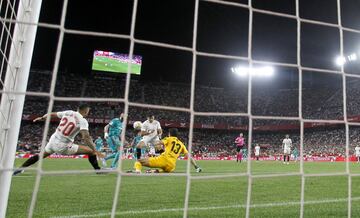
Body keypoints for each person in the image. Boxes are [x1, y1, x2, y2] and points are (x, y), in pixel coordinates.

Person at [13, 104, 103, 175]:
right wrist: (95, 150)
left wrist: (42, 118)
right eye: (88, 111)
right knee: (91, 151)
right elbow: (86, 137)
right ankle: (98, 170)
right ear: (86, 111)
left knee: (40, 155)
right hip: (63, 145)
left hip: (53, 140)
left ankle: (21, 168)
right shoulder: (83, 121)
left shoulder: (68, 112)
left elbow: (52, 114)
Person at [133, 128, 201, 173]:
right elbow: (189, 156)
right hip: (171, 166)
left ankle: (137, 171)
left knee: (138, 162)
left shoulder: (169, 138)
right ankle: (155, 171)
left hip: (164, 160)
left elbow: (159, 143)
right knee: (164, 169)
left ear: (169, 134)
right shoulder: (181, 144)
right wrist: (196, 167)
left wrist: (147, 142)